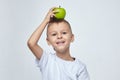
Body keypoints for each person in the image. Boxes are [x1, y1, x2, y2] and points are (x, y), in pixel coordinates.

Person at [27, 7, 90, 80]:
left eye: (64, 33)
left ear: (72, 38)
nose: (59, 36)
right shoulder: (47, 60)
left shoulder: (80, 67)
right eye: (54, 34)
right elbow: (31, 43)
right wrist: (46, 21)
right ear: (48, 41)